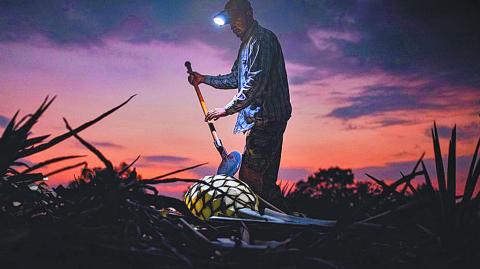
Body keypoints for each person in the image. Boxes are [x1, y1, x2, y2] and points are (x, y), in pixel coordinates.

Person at [188, 0, 292, 208]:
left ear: (248, 13)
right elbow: (235, 79)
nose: (233, 26)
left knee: (250, 179)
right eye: (230, 23)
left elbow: (255, 84)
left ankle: (255, 226)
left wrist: (226, 110)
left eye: (236, 18)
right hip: (258, 121)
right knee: (265, 183)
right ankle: (284, 222)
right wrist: (204, 79)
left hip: (267, 119)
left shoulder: (262, 40)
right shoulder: (246, 45)